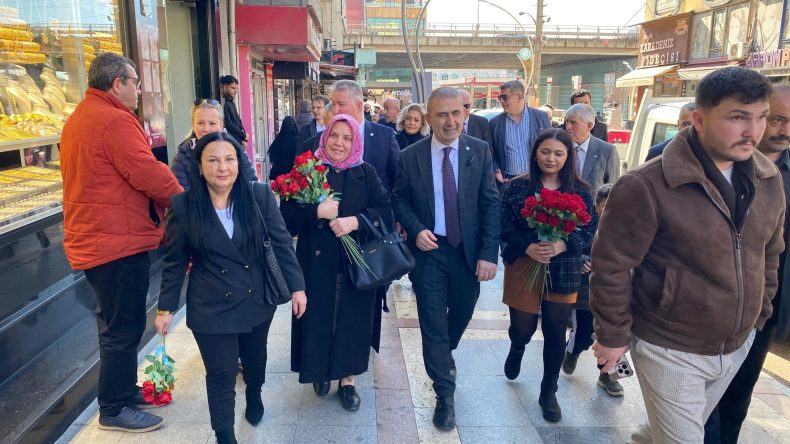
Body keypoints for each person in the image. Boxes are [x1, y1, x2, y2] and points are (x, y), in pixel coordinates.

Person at [590, 67, 784, 444]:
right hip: (669, 345)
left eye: (761, 117)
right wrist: (612, 336)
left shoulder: (767, 178)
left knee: (665, 433)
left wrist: (761, 312)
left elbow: (770, 251)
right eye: (738, 117)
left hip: (735, 342)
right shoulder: (645, 184)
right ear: (699, 119)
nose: (753, 131)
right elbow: (611, 265)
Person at [156, 132, 306, 444]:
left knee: (254, 359)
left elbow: (281, 243)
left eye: (229, 159)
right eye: (212, 160)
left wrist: (297, 287)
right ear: (200, 167)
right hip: (210, 302)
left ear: (239, 163)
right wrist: (166, 307)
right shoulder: (183, 207)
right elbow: (174, 261)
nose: (222, 167)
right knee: (221, 373)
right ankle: (224, 434)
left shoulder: (259, 196)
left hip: (255, 297)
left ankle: (254, 391)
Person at [60, 52, 183, 432]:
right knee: (124, 326)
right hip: (115, 243)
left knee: (115, 323)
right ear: (118, 84)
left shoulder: (81, 117)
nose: (139, 89)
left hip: (97, 240)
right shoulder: (114, 120)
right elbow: (149, 174)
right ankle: (114, 408)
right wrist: (189, 206)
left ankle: (122, 391)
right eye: (135, 82)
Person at [391, 87, 500, 431]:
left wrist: (488, 254)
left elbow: (490, 203)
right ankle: (444, 393)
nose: (451, 121)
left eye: (456, 113)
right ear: (428, 119)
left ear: (464, 114)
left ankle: (441, 356)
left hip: (467, 253)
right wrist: (416, 227)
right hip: (430, 252)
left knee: (463, 312)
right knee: (433, 323)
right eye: (442, 114)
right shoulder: (411, 156)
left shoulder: (479, 151)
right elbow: (400, 199)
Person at [280, 114, 393, 412]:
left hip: (354, 264)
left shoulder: (366, 173)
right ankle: (318, 370)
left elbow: (385, 213)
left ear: (355, 141)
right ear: (324, 136)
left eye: (347, 137)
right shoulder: (307, 169)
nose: (339, 143)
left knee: (351, 319)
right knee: (318, 317)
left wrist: (355, 221)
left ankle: (347, 379)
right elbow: (286, 219)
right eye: (334, 136)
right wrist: (317, 212)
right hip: (315, 265)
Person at [704, 84, 790, 444]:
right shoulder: (710, 166)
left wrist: (766, 309)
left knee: (735, 402)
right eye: (777, 119)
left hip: (760, 314)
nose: (783, 130)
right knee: (698, 407)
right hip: (701, 312)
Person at [500, 129, 597, 422]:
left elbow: (589, 230)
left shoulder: (581, 191)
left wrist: (564, 243)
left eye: (558, 153)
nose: (551, 159)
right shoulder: (518, 188)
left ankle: (548, 390)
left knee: (556, 330)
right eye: (545, 152)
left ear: (568, 157)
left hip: (563, 266)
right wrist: (527, 246)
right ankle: (517, 345)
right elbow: (503, 226)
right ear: (535, 153)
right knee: (523, 326)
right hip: (525, 263)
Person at [560, 183, 623, 397]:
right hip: (586, 290)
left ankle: (609, 376)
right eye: (606, 205)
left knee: (614, 337)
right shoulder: (585, 225)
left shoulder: (628, 228)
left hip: (617, 294)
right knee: (584, 334)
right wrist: (582, 260)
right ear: (597, 206)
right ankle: (572, 350)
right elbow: (570, 248)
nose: (610, 209)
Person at [300, 80, 400, 192]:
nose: (335, 110)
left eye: (341, 104)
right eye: (333, 104)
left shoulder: (385, 136)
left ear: (359, 106)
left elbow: (397, 181)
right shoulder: (316, 141)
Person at [171, 99, 257, 189]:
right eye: (200, 123)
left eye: (212, 123)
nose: (206, 129)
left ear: (221, 125)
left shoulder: (236, 150)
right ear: (193, 125)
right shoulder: (183, 155)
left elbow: (252, 187)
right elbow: (181, 195)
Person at [489, 80, 552, 184]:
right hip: (508, 181)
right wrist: (496, 169)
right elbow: (491, 152)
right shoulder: (494, 123)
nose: (501, 101)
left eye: (504, 97)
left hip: (536, 179)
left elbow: (551, 145)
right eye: (500, 98)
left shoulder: (541, 117)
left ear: (519, 97)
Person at [562, 103, 620, 192]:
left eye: (573, 123)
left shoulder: (607, 151)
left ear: (589, 126)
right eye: (567, 122)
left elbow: (613, 190)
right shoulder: (560, 147)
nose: (568, 127)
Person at [220, 75, 248, 148]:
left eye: (236, 88)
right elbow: (228, 124)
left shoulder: (230, 101)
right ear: (225, 87)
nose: (236, 91)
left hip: (237, 139)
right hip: (231, 141)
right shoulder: (223, 103)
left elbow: (238, 121)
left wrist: (244, 137)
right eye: (233, 88)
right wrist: (243, 136)